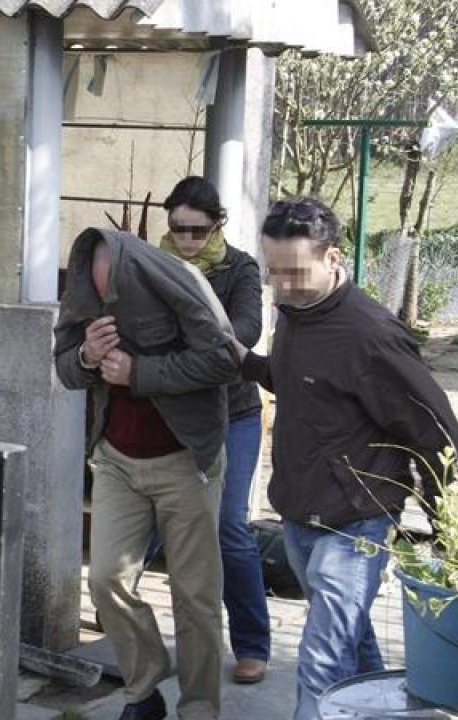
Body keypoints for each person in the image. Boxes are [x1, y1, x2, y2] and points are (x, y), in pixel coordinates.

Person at [234, 197, 458, 720]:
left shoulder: (372, 335)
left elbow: (434, 430)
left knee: (322, 662)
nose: (283, 286)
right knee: (354, 646)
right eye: (275, 272)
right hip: (300, 513)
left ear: (333, 258)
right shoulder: (295, 312)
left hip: (355, 523)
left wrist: (454, 526)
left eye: (295, 273)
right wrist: (247, 363)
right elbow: (303, 383)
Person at [55, 226, 239, 720]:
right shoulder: (84, 293)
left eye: (111, 292)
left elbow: (224, 360)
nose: (105, 301)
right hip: (117, 460)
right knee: (105, 580)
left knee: (195, 595)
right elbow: (64, 368)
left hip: (186, 460)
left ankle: (199, 708)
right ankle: (145, 685)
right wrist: (86, 356)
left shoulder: (180, 280)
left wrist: (139, 373)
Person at [155, 176, 271, 685]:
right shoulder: (153, 265)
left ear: (217, 224)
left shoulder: (239, 268)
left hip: (233, 413)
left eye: (197, 230)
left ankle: (252, 644)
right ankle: (186, 642)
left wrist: (190, 345)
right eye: (178, 228)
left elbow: (246, 331)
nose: (186, 239)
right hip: (174, 412)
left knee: (228, 527)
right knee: (171, 527)